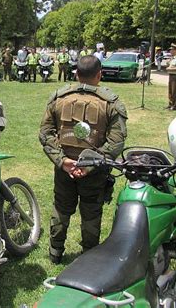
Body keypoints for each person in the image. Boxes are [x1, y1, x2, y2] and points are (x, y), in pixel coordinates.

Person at [39, 55, 127, 263]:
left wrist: (62, 161)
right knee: (91, 212)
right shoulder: (111, 103)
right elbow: (116, 142)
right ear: (100, 75)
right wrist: (89, 165)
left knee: (61, 208)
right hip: (94, 172)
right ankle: (88, 257)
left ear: (76, 74)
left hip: (65, 169)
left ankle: (55, 253)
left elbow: (45, 133)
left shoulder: (59, 98)